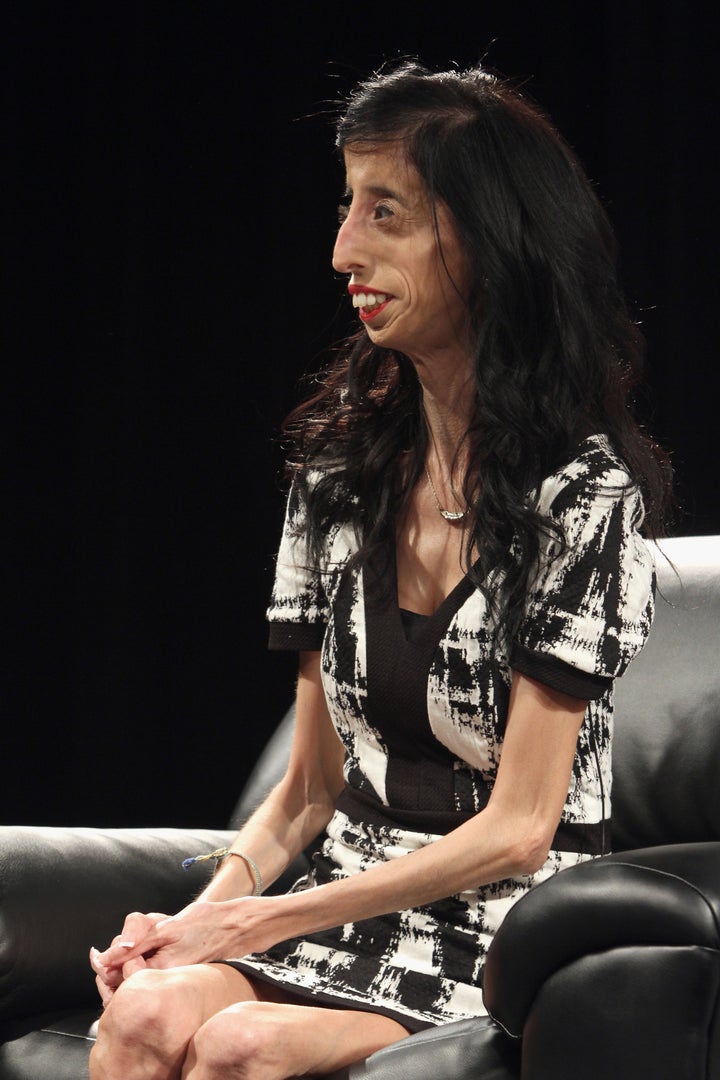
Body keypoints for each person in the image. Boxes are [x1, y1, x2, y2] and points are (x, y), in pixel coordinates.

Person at [88, 60, 672, 1079]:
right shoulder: (338, 479)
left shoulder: (581, 499)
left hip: (495, 940)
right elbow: (307, 791)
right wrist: (187, 926)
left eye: (385, 213)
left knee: (235, 1045)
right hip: (341, 909)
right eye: (346, 207)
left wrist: (261, 920)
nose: (341, 250)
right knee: (142, 1018)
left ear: (485, 245)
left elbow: (522, 830)